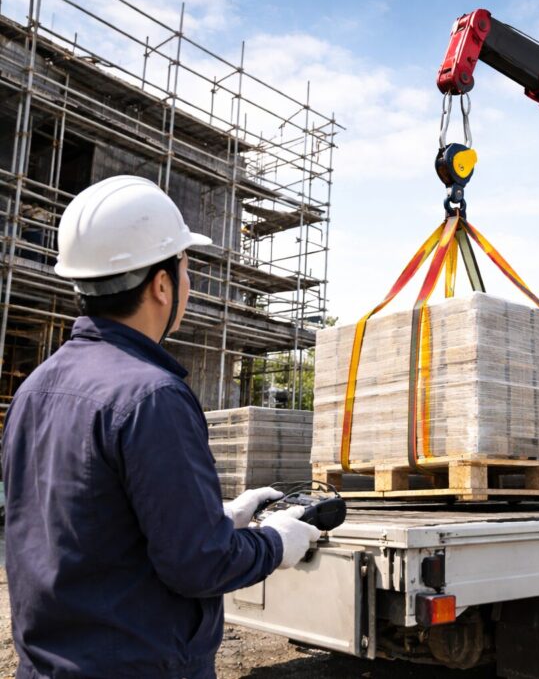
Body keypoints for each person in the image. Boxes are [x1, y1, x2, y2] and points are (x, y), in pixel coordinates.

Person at [1, 176, 321, 678]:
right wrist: (278, 542)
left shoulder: (34, 388)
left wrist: (221, 517)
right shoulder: (152, 397)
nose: (189, 286)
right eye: (187, 269)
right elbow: (199, 565)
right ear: (162, 285)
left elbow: (85, 519)